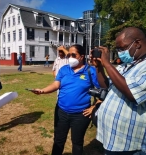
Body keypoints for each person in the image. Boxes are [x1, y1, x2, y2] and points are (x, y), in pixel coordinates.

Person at [32, 44, 100, 155]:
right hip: (61, 112)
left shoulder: (90, 71)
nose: (70, 58)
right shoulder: (64, 69)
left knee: (77, 142)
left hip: (81, 115)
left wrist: (94, 107)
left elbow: (104, 91)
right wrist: (42, 91)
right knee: (58, 140)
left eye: (74, 55)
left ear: (82, 56)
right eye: (69, 55)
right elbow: (56, 84)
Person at [91, 27, 146, 155]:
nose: (120, 52)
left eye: (122, 48)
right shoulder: (126, 65)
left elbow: (132, 93)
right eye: (118, 49)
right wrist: (99, 66)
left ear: (137, 43)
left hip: (130, 145)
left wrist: (107, 64)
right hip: (113, 139)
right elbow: (105, 85)